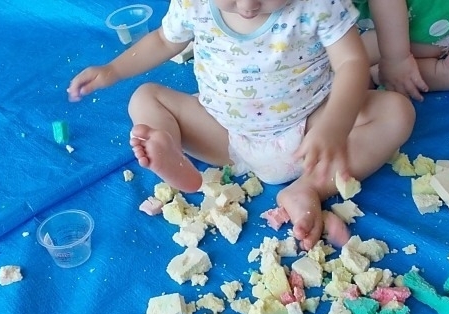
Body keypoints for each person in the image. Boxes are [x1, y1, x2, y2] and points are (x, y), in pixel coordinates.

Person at [67, 0, 414, 250]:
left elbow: (352, 61)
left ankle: (309, 187)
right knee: (144, 98)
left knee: (397, 111)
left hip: (311, 132)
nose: (248, 5)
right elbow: (162, 40)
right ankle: (169, 147)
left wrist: (335, 126)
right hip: (224, 136)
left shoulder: (318, 4)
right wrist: (112, 70)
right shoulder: (194, 4)